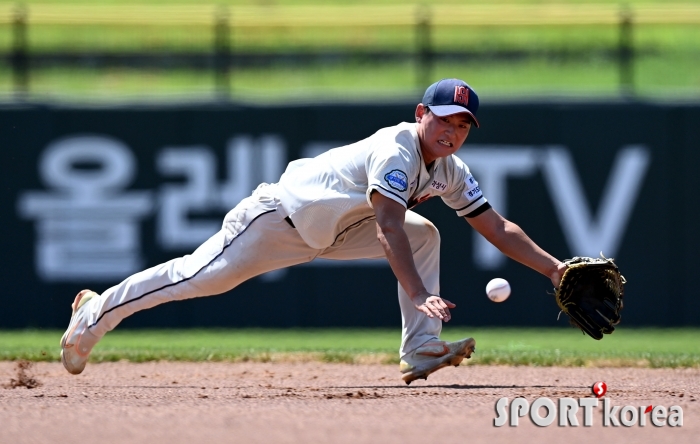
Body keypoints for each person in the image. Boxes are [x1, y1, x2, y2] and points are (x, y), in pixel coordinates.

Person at [60, 78, 567, 384]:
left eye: (462, 125)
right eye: (445, 119)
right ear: (421, 115)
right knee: (197, 277)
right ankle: (93, 314)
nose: (452, 131)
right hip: (276, 220)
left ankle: (421, 348)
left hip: (336, 232)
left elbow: (496, 226)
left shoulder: (450, 170)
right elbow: (389, 226)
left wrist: (556, 269)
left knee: (426, 234)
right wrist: (417, 292)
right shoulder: (398, 150)